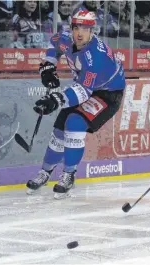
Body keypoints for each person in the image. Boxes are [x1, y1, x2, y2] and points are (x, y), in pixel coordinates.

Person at [26, 10, 126, 199]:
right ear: (71, 28)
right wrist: (48, 66)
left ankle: (69, 174)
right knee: (59, 132)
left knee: (74, 123)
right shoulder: (65, 38)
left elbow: (84, 92)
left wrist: (55, 100)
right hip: (84, 86)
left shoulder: (96, 55)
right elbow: (54, 44)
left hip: (107, 94)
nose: (80, 33)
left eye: (85, 28)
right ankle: (45, 172)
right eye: (76, 27)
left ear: (92, 30)